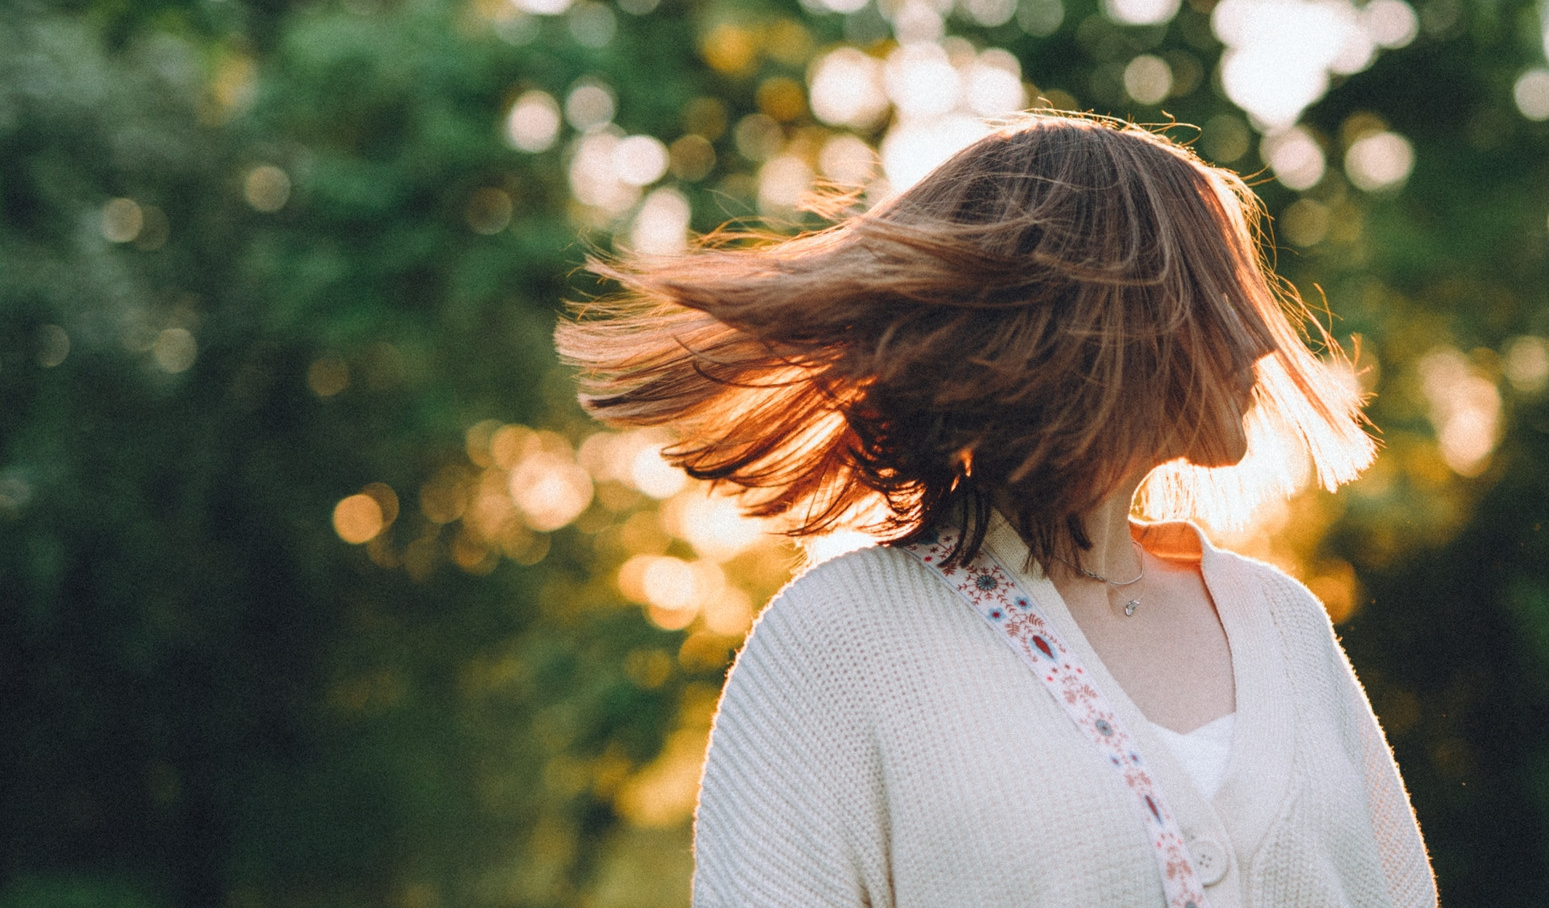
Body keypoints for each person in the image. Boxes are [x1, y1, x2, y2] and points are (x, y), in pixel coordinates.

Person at [559, 113, 1436, 908]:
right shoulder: (837, 643)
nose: (1256, 340)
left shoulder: (1283, 624)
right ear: (1109, 324)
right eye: (1219, 300)